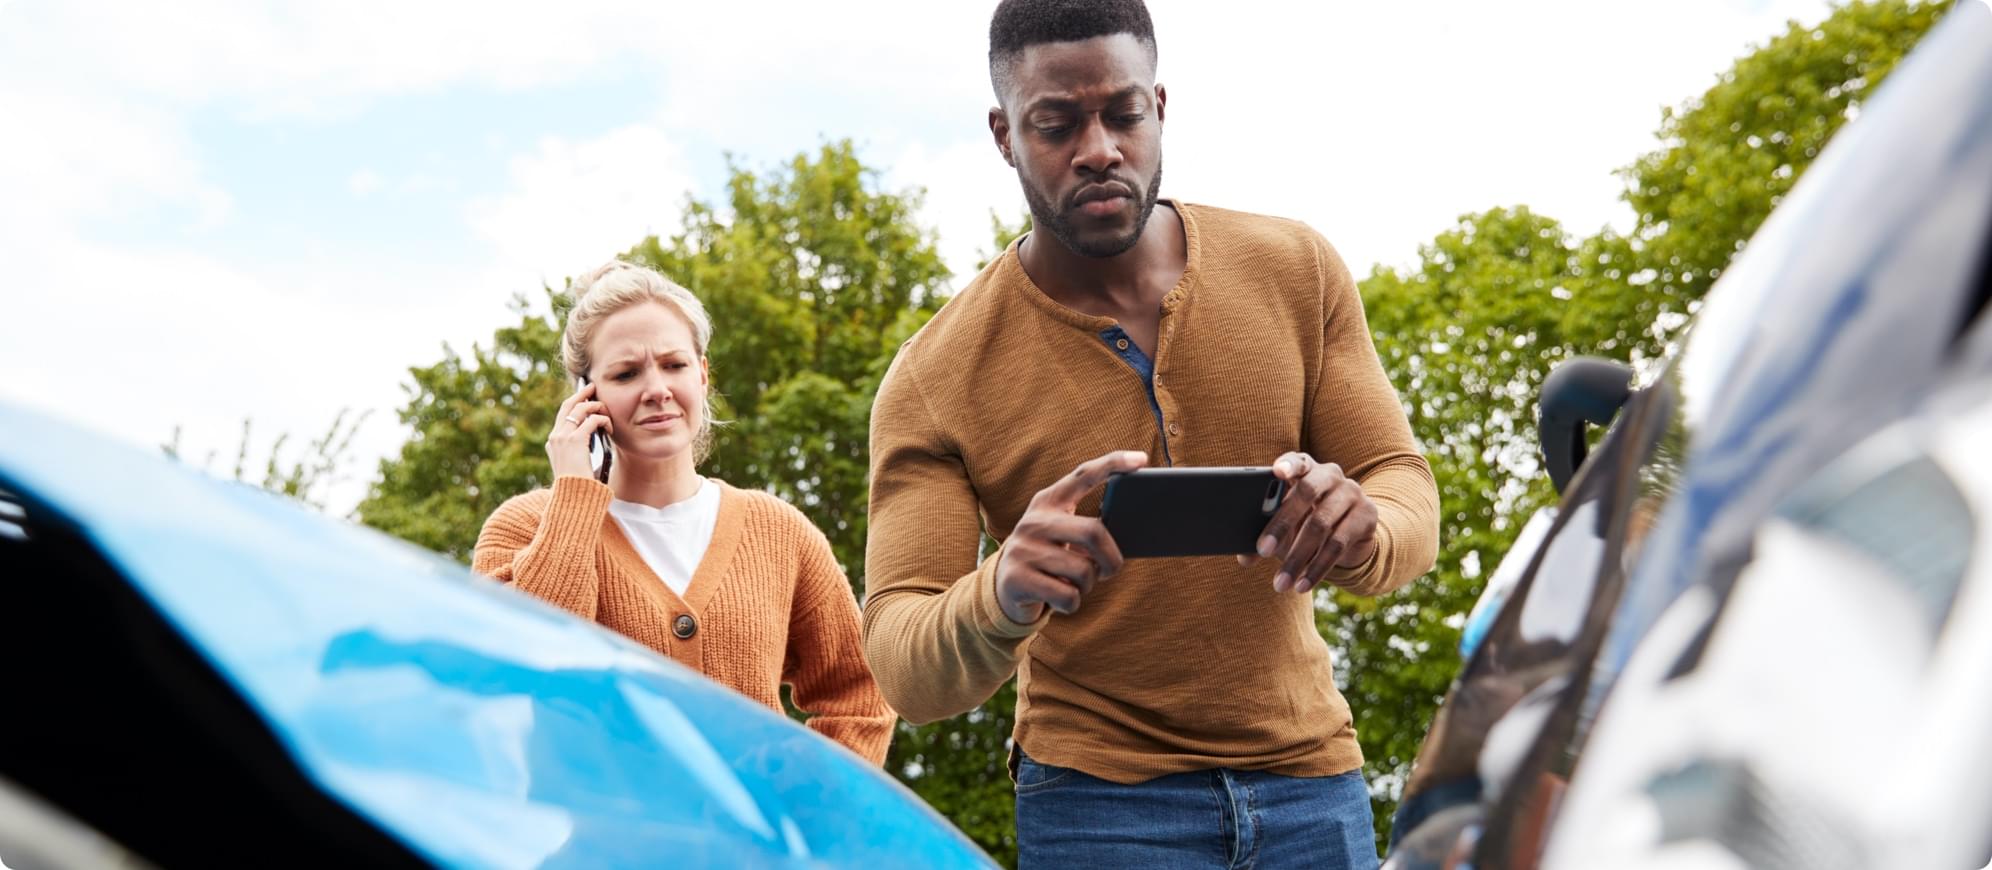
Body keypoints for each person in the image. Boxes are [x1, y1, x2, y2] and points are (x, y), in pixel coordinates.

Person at [860, 0, 1440, 865]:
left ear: (1159, 107)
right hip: (1097, 805)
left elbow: (1404, 486)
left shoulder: (1295, 268)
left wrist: (1361, 529)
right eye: (1055, 124)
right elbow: (903, 660)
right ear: (1003, 134)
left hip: (1312, 783)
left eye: (1122, 114)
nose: (1098, 149)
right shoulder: (934, 376)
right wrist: (1001, 593)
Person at [474, 260, 893, 764]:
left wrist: (807, 809)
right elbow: (528, 671)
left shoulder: (779, 532)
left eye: (673, 365)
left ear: (702, 373)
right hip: (596, 841)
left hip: (750, 844)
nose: (656, 389)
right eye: (626, 373)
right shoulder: (523, 527)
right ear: (588, 395)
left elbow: (859, 696)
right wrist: (573, 494)